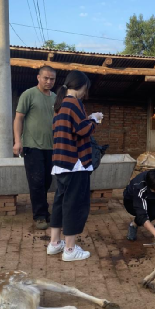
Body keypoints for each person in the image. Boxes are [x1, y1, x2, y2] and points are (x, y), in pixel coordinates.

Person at [46, 71, 104, 262]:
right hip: (76, 164)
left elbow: (72, 128)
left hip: (61, 163)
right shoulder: (74, 102)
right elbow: (83, 130)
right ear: (82, 86)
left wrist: (88, 119)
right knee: (75, 205)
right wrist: (94, 118)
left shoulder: (60, 105)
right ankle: (70, 250)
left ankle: (55, 244)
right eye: (85, 88)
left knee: (60, 203)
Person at [13, 66, 57, 230]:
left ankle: (44, 211)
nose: (48, 81)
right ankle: (39, 216)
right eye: (45, 78)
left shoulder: (55, 98)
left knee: (46, 181)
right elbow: (18, 119)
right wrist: (18, 141)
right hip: (32, 146)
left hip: (51, 147)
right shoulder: (29, 94)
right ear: (38, 77)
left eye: (52, 79)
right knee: (36, 181)